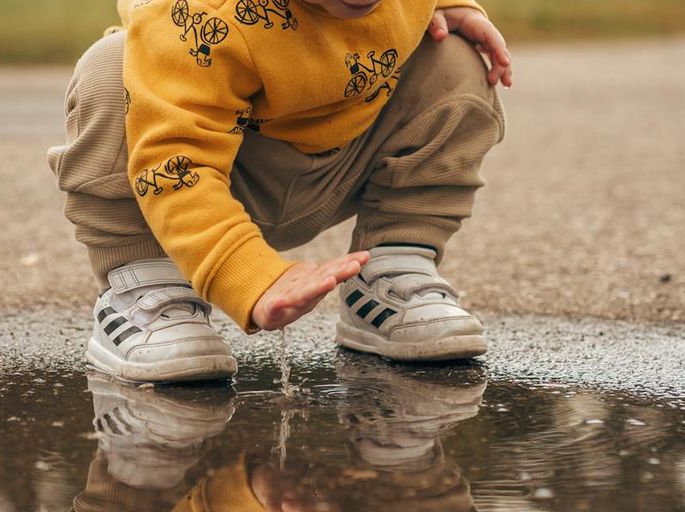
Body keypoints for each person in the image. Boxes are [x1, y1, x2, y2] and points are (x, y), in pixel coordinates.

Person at [47, 0, 511, 382]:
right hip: (201, 182)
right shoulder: (196, 13)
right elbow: (175, 162)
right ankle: (146, 288)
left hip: (342, 160)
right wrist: (246, 276)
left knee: (454, 56)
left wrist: (454, 6)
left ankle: (394, 266)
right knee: (111, 70)